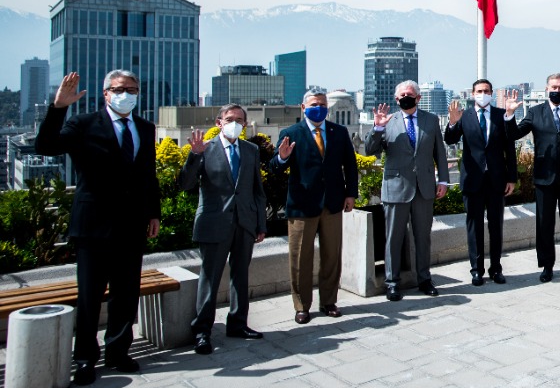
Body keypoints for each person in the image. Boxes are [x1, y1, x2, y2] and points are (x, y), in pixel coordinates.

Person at [35, 71, 161, 386]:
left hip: (131, 226)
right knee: (90, 297)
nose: (127, 94)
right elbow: (45, 145)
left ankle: (118, 351)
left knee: (125, 293)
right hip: (93, 226)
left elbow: (148, 174)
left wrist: (153, 213)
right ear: (106, 93)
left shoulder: (145, 128)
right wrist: (59, 107)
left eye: (133, 89)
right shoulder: (84, 124)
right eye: (120, 89)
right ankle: (85, 359)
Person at [178, 103, 268, 354]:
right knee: (210, 278)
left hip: (244, 223)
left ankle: (238, 323)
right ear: (219, 122)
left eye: (240, 120)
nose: (235, 123)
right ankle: (202, 331)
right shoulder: (205, 149)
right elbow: (185, 184)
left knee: (241, 275)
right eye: (230, 119)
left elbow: (257, 191)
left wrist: (260, 223)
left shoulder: (250, 150)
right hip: (214, 224)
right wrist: (194, 155)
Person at [273, 87, 359, 324]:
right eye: (313, 104)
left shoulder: (339, 132)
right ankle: (302, 305)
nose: (318, 108)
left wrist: (351, 194)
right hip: (302, 205)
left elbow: (350, 166)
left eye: (322, 104)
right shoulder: (291, 133)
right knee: (300, 258)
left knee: (332, 255)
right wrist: (281, 157)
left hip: (332, 204)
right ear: (303, 107)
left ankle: (329, 301)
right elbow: (275, 167)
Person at [367, 80, 449, 300]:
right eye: (402, 95)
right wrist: (377, 128)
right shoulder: (388, 121)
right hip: (395, 188)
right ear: (396, 99)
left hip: (424, 188)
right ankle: (392, 282)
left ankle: (424, 279)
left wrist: (443, 181)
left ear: (418, 97)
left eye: (410, 94)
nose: (406, 97)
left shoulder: (431, 121)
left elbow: (439, 153)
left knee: (423, 237)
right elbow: (370, 150)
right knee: (393, 237)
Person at [505, 74, 560, 282]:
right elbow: (514, 134)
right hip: (544, 178)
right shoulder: (535, 112)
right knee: (544, 224)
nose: (557, 90)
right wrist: (509, 114)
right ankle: (546, 266)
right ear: (546, 89)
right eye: (554, 87)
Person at [444, 79, 517, 286]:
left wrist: (511, 177)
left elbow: (509, 148)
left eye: (486, 91)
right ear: (472, 94)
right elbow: (449, 139)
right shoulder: (464, 116)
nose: (482, 94)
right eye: (479, 91)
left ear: (492, 93)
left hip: (496, 180)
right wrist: (452, 121)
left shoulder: (500, 115)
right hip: (473, 180)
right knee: (474, 226)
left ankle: (496, 268)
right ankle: (476, 270)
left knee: (496, 226)